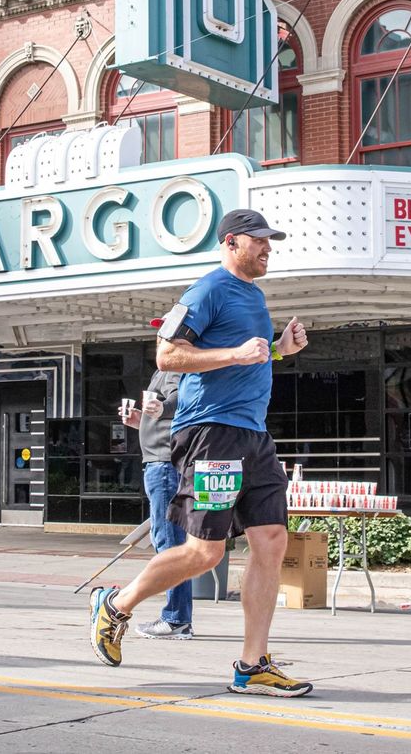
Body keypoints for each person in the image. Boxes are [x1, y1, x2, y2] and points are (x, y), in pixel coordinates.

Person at [89, 208, 313, 697]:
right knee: (205, 551)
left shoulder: (253, 296)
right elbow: (167, 354)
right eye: (259, 240)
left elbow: (246, 357)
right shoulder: (208, 289)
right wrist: (235, 353)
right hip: (211, 433)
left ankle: (252, 665)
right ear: (231, 242)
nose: (268, 247)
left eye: (270, 240)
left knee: (272, 539)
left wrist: (278, 351)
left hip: (253, 433)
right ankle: (117, 604)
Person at [120, 368, 192, 640]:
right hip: (162, 463)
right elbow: (165, 416)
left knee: (168, 543)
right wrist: (142, 421)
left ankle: (176, 619)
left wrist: (162, 406)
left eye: (164, 334)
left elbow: (178, 400)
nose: (160, 339)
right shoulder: (159, 372)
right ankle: (179, 618)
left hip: (163, 465)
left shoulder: (173, 367)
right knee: (171, 542)